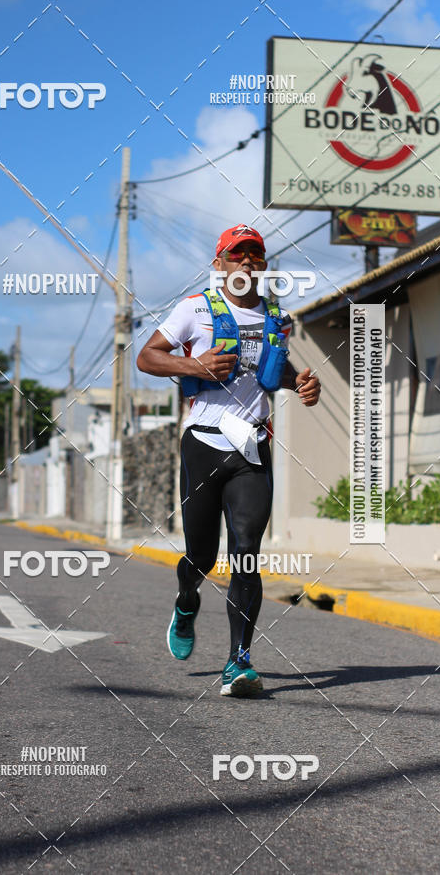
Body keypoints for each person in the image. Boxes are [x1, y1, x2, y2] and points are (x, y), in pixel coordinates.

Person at [137, 224, 321, 697]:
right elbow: (147, 357)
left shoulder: (277, 315)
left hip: (252, 449)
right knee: (200, 554)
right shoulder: (194, 309)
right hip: (203, 443)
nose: (246, 263)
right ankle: (185, 600)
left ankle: (238, 661)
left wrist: (300, 381)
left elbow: (271, 374)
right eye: (236, 255)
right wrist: (193, 366)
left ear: (263, 265)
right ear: (219, 265)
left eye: (255, 256)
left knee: (245, 553)